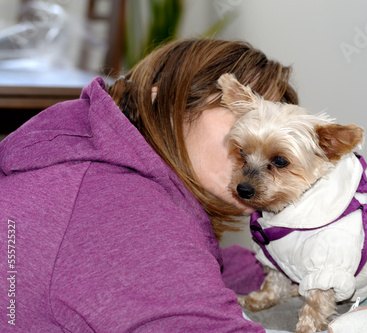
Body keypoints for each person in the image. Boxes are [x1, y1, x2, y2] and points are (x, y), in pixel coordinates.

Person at [0, 37, 367, 333]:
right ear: (161, 97)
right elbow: (151, 264)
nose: (246, 160)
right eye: (237, 114)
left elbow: (194, 271)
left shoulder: (78, 145)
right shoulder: (124, 216)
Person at [0, 38, 295, 332]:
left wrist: (298, 262)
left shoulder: (86, 168)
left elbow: (182, 267)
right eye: (247, 114)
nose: (262, 143)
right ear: (163, 104)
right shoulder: (124, 208)